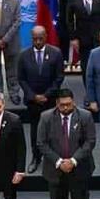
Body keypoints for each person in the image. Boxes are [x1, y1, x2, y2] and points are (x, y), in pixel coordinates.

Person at [37, 88, 96, 199]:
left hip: (79, 169)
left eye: (69, 104)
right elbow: (41, 143)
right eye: (62, 105)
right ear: (57, 104)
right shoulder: (46, 117)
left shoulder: (85, 116)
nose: (65, 108)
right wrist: (59, 162)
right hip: (55, 170)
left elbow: (90, 142)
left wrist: (73, 161)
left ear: (73, 102)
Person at [17, 25, 65, 174]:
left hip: (50, 100)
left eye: (40, 38)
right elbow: (21, 79)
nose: (37, 42)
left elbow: (59, 77)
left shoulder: (56, 53)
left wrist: (47, 95)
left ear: (45, 37)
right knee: (35, 131)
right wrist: (33, 96)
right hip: (33, 102)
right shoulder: (24, 55)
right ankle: (36, 158)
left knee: (53, 130)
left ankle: (52, 159)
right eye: (35, 39)